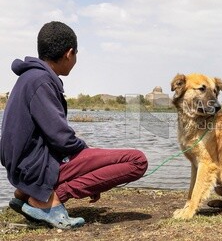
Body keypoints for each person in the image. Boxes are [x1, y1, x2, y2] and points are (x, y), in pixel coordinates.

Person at [0, 21, 148, 229]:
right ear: (69, 53)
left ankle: (26, 193)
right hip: (34, 168)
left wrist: (93, 173)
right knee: (137, 160)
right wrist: (91, 161)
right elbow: (62, 138)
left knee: (97, 157)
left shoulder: (30, 77)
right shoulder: (41, 81)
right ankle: (46, 201)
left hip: (24, 168)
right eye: (76, 55)